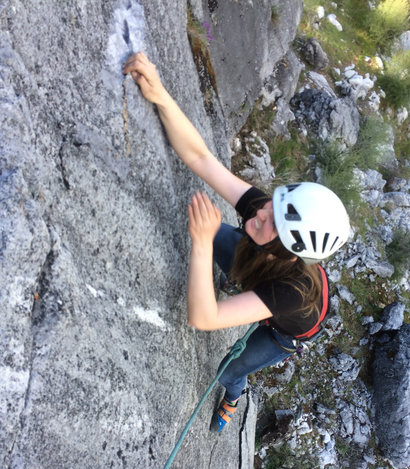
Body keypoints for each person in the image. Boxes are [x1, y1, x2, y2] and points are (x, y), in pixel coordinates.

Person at [122, 52, 350, 432]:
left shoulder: (290, 293)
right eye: (269, 207)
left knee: (230, 368)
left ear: (290, 254)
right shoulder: (272, 218)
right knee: (225, 237)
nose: (258, 214)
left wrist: (201, 242)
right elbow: (202, 159)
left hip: (282, 332)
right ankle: (234, 279)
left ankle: (233, 396)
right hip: (263, 271)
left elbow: (204, 318)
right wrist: (161, 95)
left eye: (271, 223)